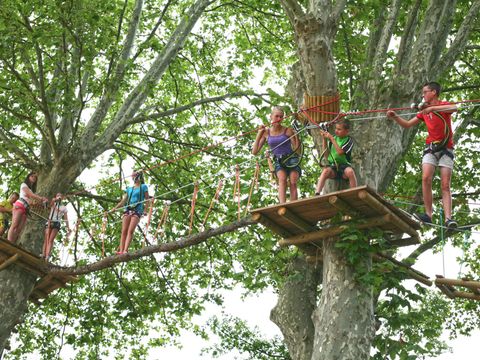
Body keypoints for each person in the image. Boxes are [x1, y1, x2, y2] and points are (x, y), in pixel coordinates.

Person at [387, 81, 457, 228]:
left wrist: (432, 108)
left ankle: (448, 218)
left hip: (446, 149)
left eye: (425, 92)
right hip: (431, 148)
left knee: (445, 185)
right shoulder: (424, 112)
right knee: (426, 178)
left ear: (434, 92)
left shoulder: (442, 105)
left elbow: (454, 107)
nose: (423, 95)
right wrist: (395, 117)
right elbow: (407, 124)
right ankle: (428, 215)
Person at [252, 106, 301, 203]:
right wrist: (259, 134)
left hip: (291, 158)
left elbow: (298, 151)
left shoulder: (287, 130)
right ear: (271, 116)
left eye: (281, 117)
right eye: (277, 116)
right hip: (279, 160)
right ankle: (282, 204)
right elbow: (254, 152)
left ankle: (294, 204)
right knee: (282, 180)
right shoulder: (266, 132)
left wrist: (296, 136)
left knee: (293, 181)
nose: (279, 119)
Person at [111, 170, 150, 254]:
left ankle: (125, 250)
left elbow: (147, 200)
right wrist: (115, 208)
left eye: (135, 176)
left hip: (137, 210)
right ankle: (121, 251)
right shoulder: (129, 189)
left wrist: (145, 210)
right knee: (124, 230)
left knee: (130, 230)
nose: (134, 178)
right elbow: (123, 201)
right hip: (128, 210)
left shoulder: (143, 187)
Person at [314, 119, 357, 195]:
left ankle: (354, 192)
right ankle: (317, 192)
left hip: (344, 167)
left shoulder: (349, 140)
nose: (336, 131)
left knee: (350, 172)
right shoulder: (333, 138)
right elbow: (326, 155)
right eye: (336, 129)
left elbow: (340, 152)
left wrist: (331, 139)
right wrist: (324, 139)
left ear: (346, 131)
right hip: (333, 167)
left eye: (339, 129)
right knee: (325, 171)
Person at [8, 171, 48, 243]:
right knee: (14, 225)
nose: (34, 178)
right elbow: (30, 194)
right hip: (19, 205)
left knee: (19, 229)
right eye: (32, 176)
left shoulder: (31, 190)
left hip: (26, 209)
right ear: (28, 177)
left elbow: (30, 202)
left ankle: (12, 242)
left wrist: (40, 204)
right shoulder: (24, 185)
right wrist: (41, 198)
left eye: (35, 177)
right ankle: (9, 242)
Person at [42, 193, 71, 261]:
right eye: (58, 195)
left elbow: (66, 218)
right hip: (50, 221)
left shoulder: (64, 207)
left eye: (60, 196)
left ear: (62, 198)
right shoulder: (53, 203)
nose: (59, 197)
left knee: (51, 239)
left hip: (56, 223)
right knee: (46, 238)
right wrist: (54, 200)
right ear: (56, 197)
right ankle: (43, 254)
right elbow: (50, 205)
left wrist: (68, 227)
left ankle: (47, 255)